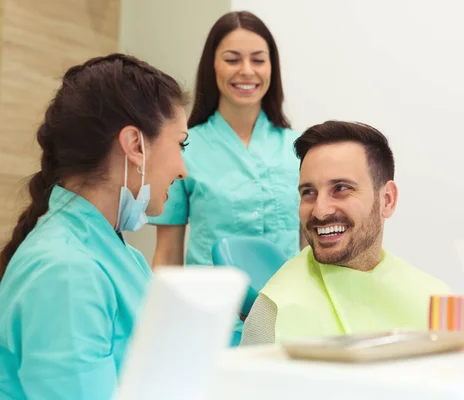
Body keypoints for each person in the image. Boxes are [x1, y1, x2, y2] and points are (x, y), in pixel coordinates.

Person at [0, 54, 188, 399]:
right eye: (181, 144)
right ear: (134, 145)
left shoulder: (117, 254)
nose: (182, 169)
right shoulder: (66, 271)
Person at [241, 121, 450, 345]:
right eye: (308, 192)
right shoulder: (274, 311)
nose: (320, 211)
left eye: (341, 188)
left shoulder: (435, 299)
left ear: (387, 200)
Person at [150, 11, 303, 272]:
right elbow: (167, 255)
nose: (246, 71)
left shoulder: (299, 148)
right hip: (210, 307)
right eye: (232, 60)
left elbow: (309, 248)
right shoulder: (184, 148)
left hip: (284, 308)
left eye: (258, 60)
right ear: (212, 65)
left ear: (272, 67)